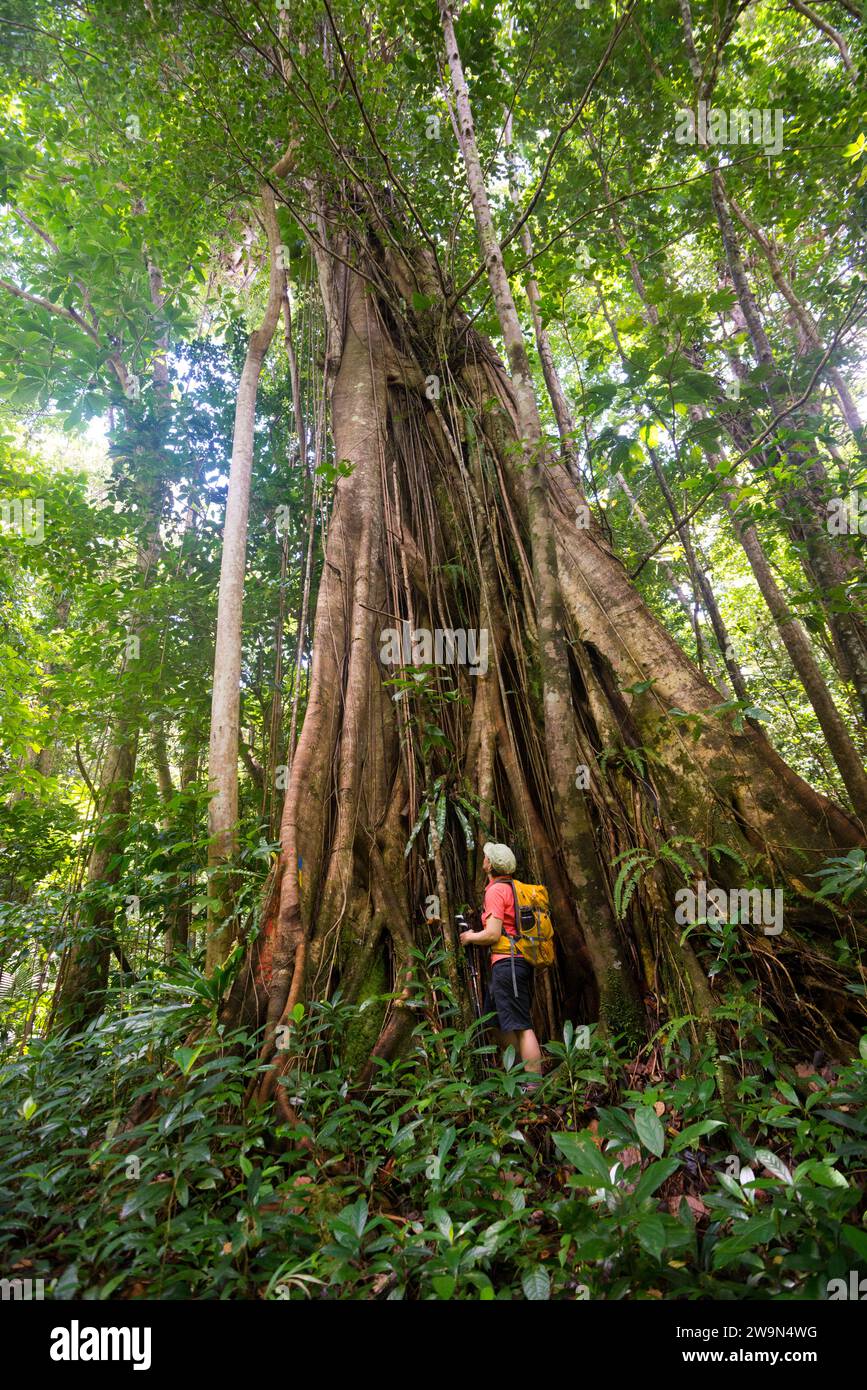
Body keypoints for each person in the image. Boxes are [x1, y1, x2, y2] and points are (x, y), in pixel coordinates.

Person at [459, 842, 543, 1090]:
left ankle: (533, 1085)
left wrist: (470, 937)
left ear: (490, 865)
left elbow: (493, 934)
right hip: (510, 964)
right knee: (494, 1020)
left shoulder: (496, 891)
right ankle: (516, 1074)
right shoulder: (513, 887)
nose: (483, 858)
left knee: (522, 1025)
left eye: (486, 856)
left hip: (509, 964)